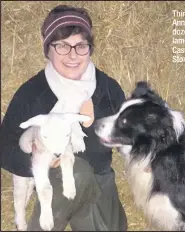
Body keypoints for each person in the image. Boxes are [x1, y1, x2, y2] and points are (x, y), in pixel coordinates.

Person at [0, 4, 128, 231]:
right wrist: (36, 159)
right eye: (62, 45)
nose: (72, 55)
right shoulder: (32, 93)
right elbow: (4, 147)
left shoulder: (107, 89)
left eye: (80, 46)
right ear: (48, 49)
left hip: (100, 179)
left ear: (90, 49)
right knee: (75, 170)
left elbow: (129, 137)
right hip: (53, 183)